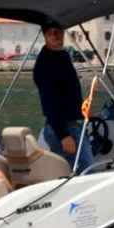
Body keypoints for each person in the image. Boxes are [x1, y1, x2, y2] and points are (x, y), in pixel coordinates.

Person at [32, 22, 93, 173]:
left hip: (71, 125)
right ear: (45, 35)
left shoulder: (62, 56)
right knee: (87, 173)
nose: (56, 36)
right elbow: (49, 102)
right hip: (64, 129)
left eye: (59, 32)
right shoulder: (45, 64)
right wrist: (64, 135)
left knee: (70, 174)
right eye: (52, 33)